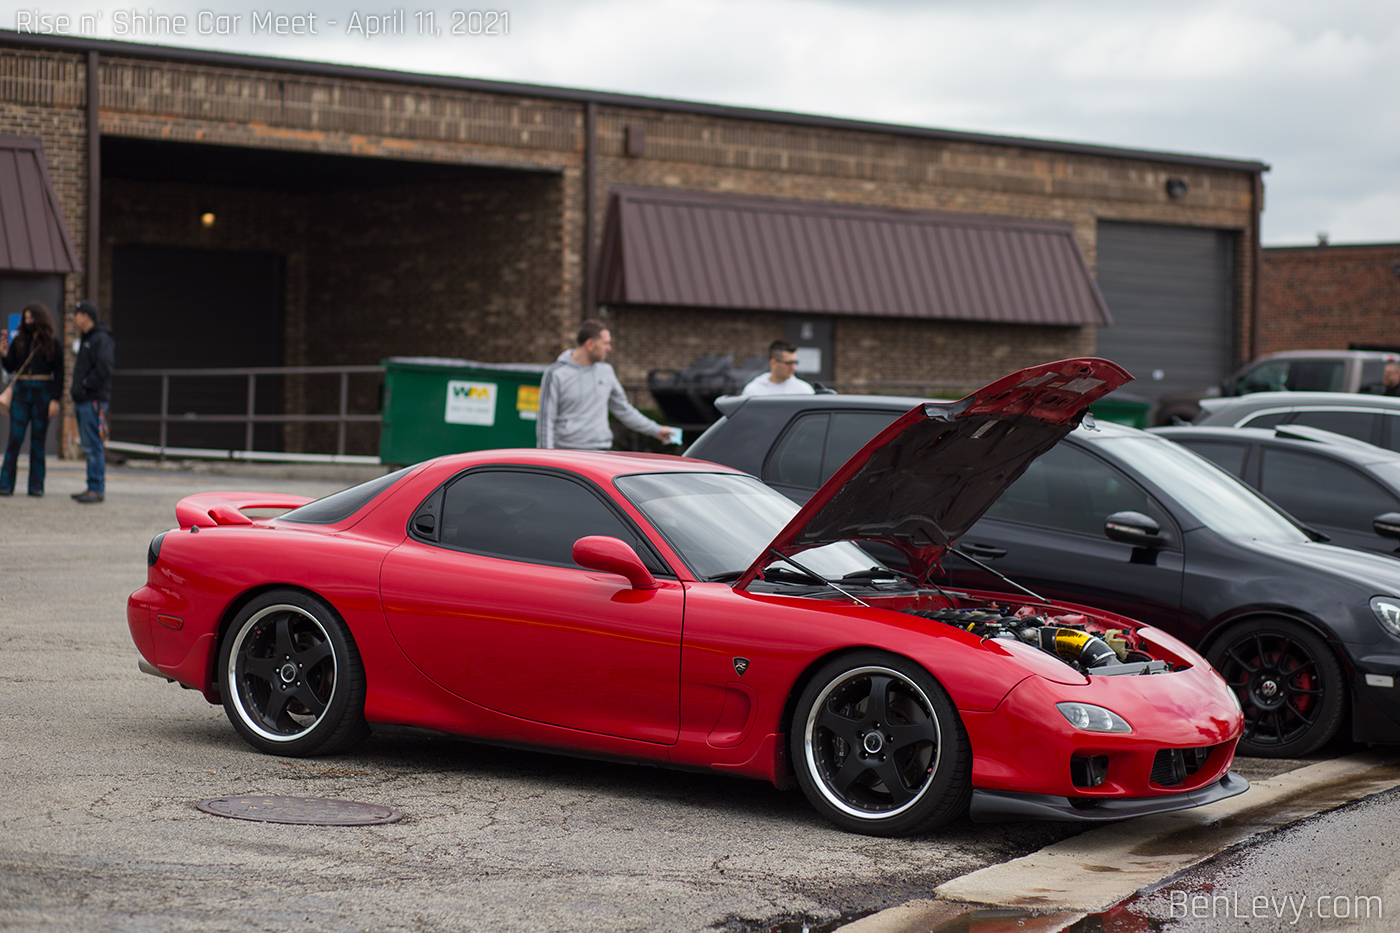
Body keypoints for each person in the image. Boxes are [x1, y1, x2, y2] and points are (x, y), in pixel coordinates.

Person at [537, 320, 674, 450]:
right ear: (590, 344)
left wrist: (656, 430)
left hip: (602, 450)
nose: (609, 348)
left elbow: (624, 410)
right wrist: (545, 459)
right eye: (605, 343)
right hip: (569, 452)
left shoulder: (606, 371)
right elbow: (546, 422)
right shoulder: (555, 374)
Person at [0, 303, 63, 497]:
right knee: (15, 438)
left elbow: (59, 372)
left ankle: (36, 486)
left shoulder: (52, 343)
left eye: (31, 319)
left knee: (38, 440)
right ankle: (5, 484)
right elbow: (11, 367)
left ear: (40, 319)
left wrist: (55, 399)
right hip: (21, 392)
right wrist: (3, 354)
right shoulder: (19, 340)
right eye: (25, 319)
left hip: (42, 392)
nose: (28, 322)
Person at [70, 301, 114, 504]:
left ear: (85, 316)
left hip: (93, 401)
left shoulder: (100, 339)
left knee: (93, 445)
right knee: (88, 446)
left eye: (76, 314)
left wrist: (86, 384)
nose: (73, 319)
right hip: (84, 400)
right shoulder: (88, 338)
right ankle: (92, 487)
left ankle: (96, 489)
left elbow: (104, 369)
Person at [741, 340, 815, 396]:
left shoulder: (804, 391)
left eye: (795, 363)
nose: (793, 367)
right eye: (788, 363)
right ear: (773, 363)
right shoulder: (754, 391)